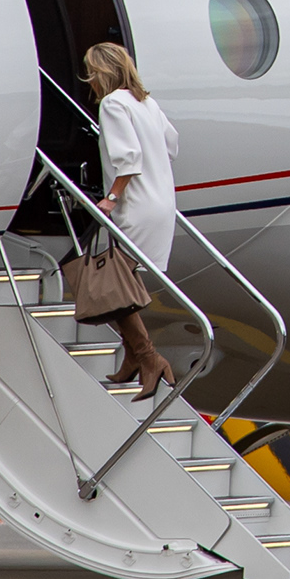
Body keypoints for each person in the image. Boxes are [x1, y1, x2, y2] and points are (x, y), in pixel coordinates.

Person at [78, 42, 184, 394]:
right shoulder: (145, 102)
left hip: (135, 205)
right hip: (161, 203)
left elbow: (128, 158)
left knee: (113, 287)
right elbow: (172, 146)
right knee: (122, 284)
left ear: (100, 73)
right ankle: (134, 358)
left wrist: (110, 199)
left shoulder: (112, 104)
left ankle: (149, 357)